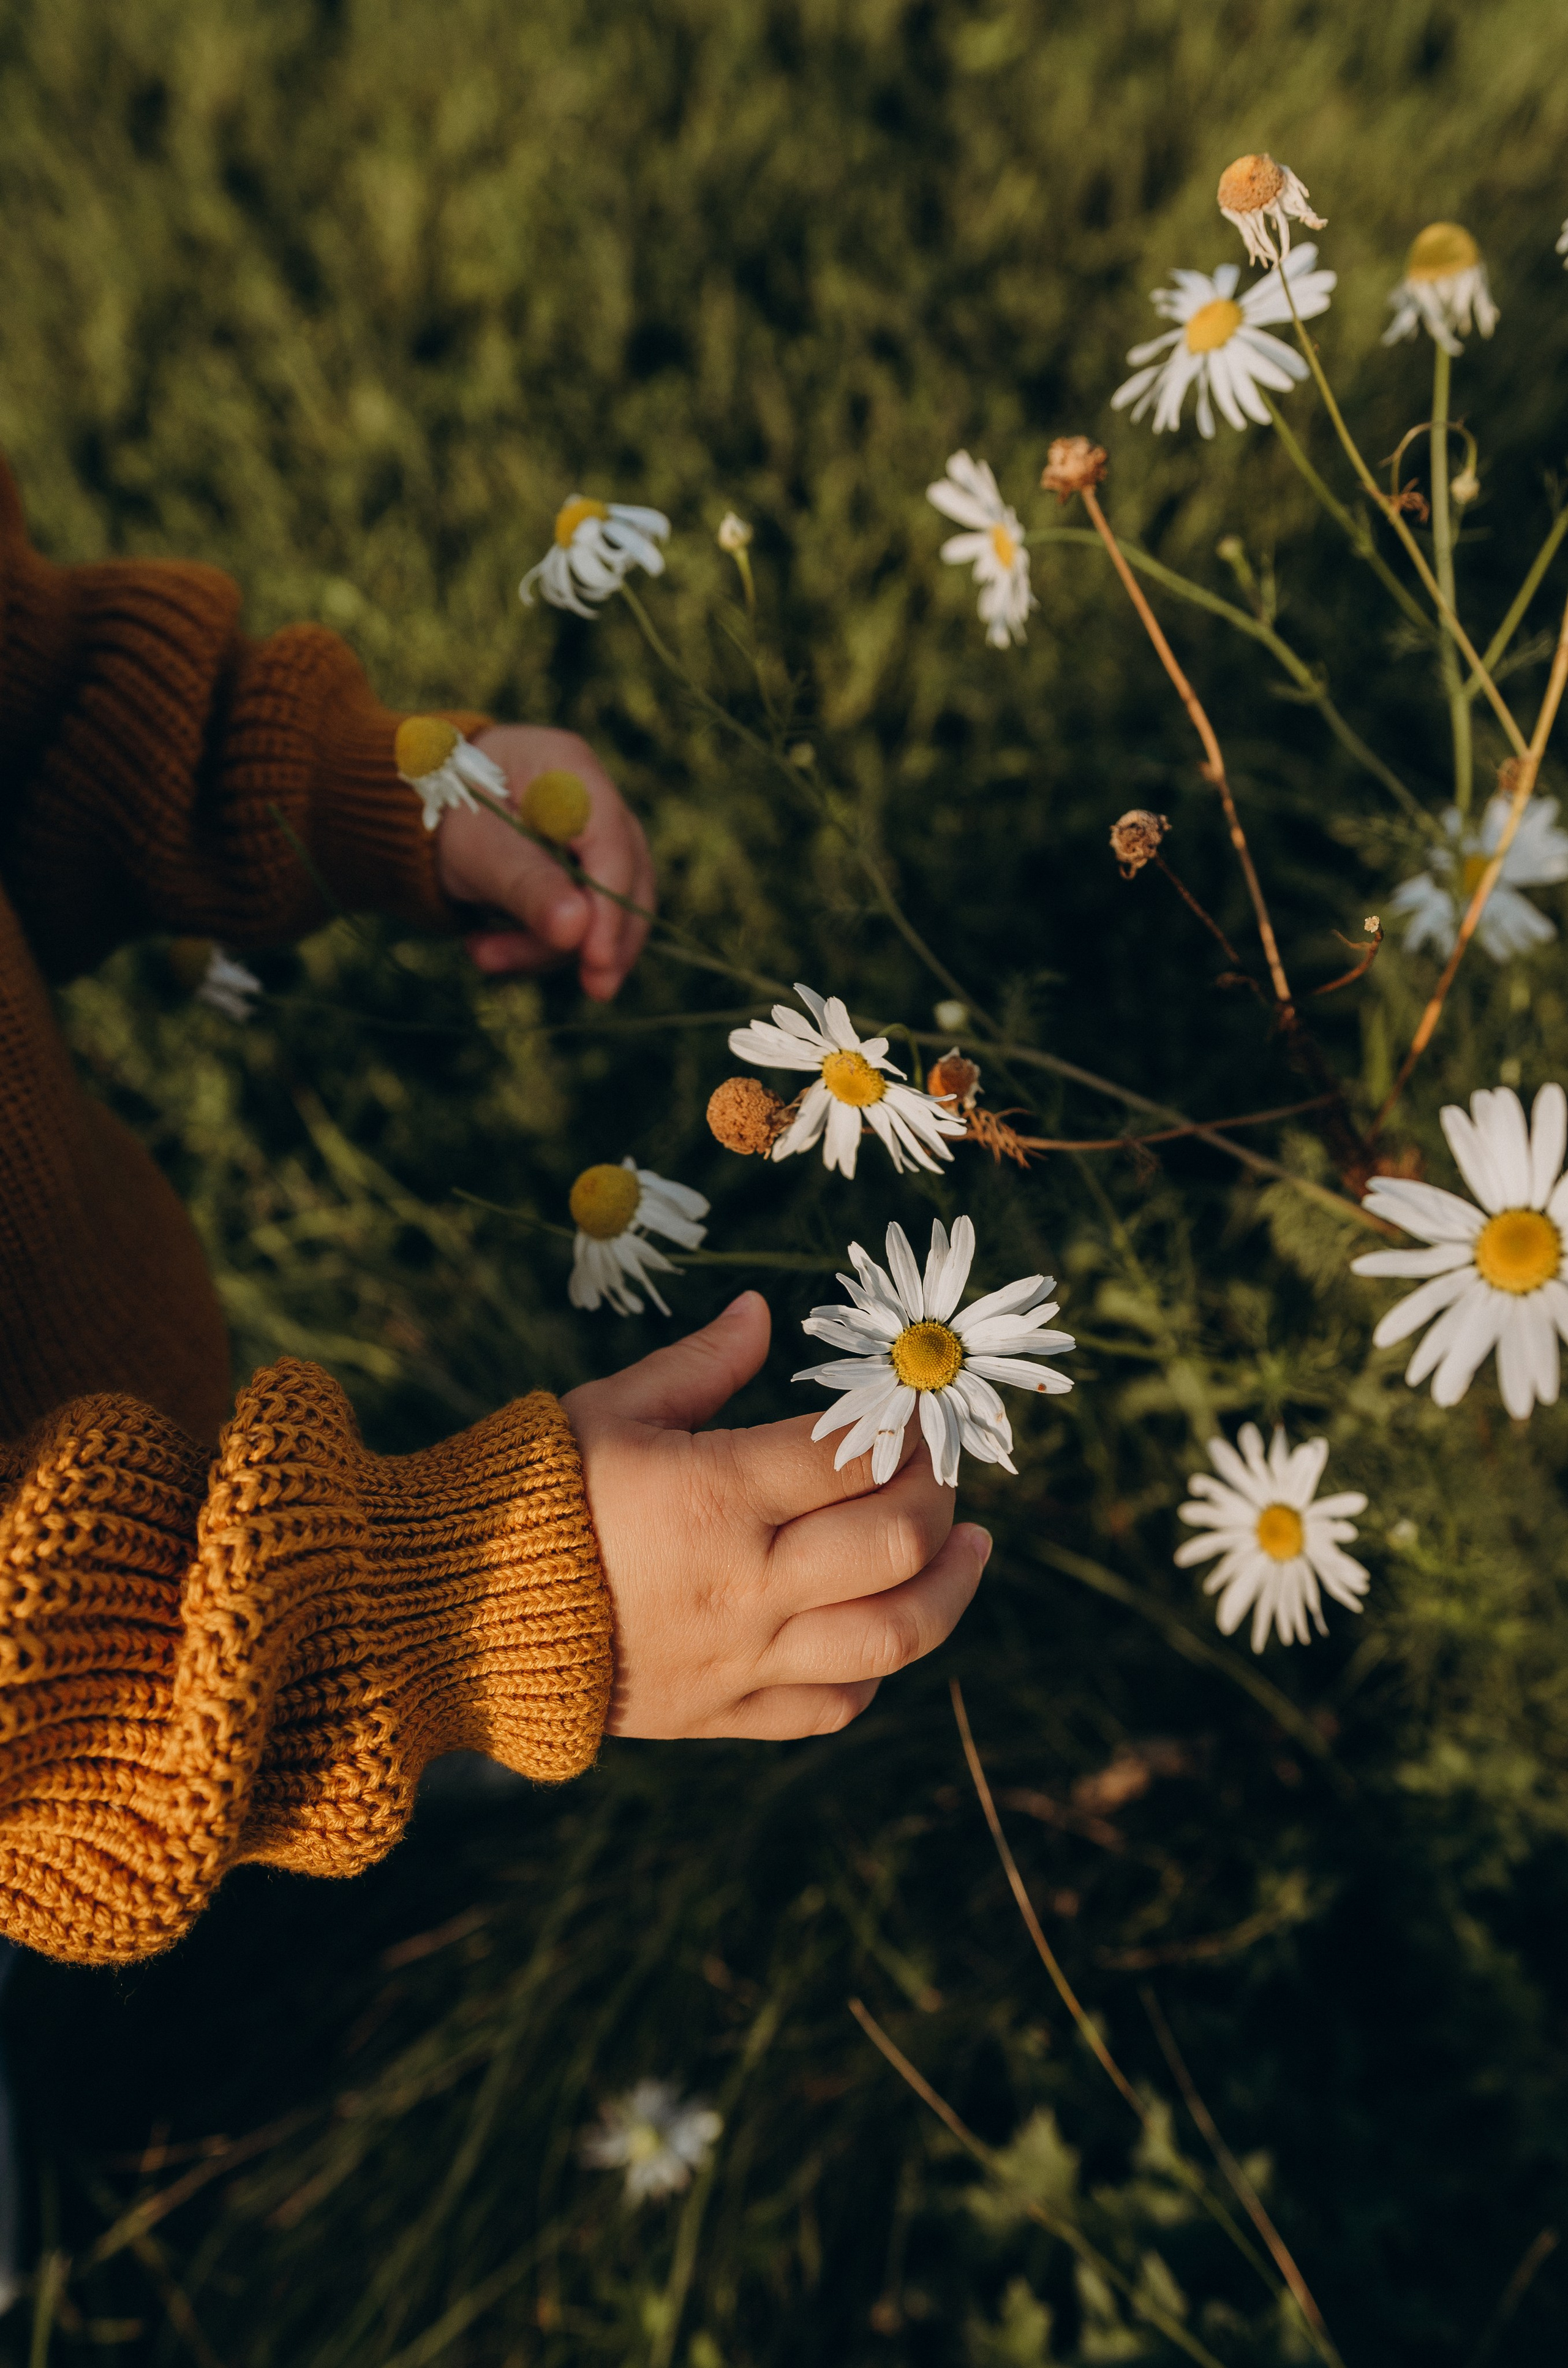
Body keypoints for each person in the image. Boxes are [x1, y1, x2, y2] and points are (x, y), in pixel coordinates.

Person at [0, 460, 989, 1969]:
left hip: (117, 1392)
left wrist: (329, 778)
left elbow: (26, 695)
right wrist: (442, 1604)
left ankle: (314, 1731)